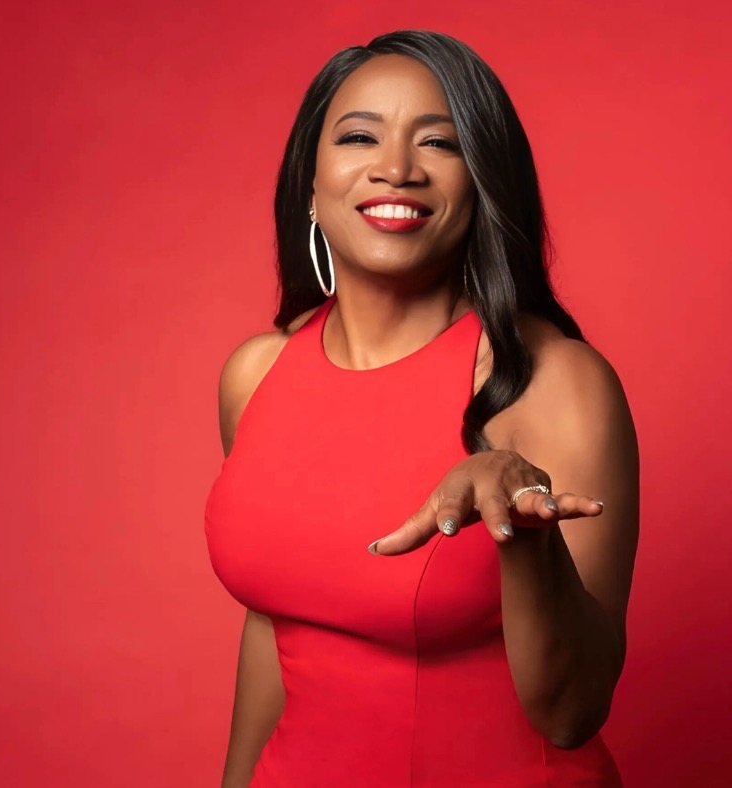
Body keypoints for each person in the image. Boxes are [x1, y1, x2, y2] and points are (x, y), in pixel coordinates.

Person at [204, 29, 639, 788]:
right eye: (360, 135)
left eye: (438, 143)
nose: (396, 169)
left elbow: (573, 712)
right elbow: (277, 622)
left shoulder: (557, 383)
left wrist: (522, 534)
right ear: (311, 180)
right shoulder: (256, 372)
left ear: (483, 182)